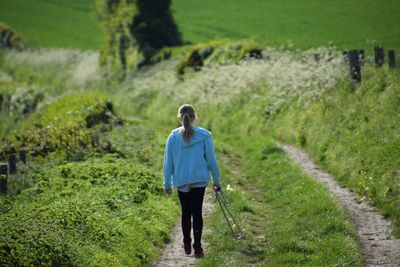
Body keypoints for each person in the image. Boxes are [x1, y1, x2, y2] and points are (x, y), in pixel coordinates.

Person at [163, 104, 221, 258]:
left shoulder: (173, 137)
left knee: (186, 213)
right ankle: (198, 247)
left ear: (179, 118)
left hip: (182, 180)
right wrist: (216, 180)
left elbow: (168, 163)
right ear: (194, 117)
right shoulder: (204, 136)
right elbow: (212, 160)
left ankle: (187, 242)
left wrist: (167, 184)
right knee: (197, 213)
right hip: (199, 179)